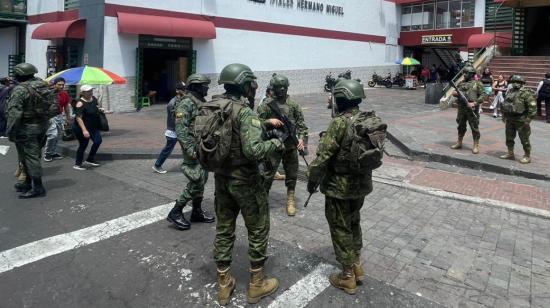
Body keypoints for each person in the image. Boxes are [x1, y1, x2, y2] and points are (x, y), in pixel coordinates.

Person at [210, 63, 283, 306]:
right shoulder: (245, 111)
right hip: (246, 182)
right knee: (258, 228)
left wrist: (263, 125)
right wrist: (275, 144)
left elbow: (230, 135)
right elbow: (253, 150)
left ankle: (223, 284)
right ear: (244, 84)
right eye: (250, 84)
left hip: (222, 179)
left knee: (224, 229)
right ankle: (257, 284)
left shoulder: (215, 106)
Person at [307, 79, 382, 295]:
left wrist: (312, 181)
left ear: (340, 98)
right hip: (361, 184)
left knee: (339, 226)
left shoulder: (340, 123)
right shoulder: (367, 119)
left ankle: (347, 276)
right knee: (353, 221)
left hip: (339, 188)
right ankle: (357, 264)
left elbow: (323, 158)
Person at [166, 75, 215, 230]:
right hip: (193, 148)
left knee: (203, 178)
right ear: (196, 86)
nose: (207, 88)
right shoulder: (186, 104)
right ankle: (176, 211)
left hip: (203, 148)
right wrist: (189, 149)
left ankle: (197, 211)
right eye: (204, 85)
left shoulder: (201, 102)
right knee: (196, 180)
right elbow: (180, 129)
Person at [257, 74, 308, 216]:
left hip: (290, 146)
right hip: (272, 147)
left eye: (283, 88)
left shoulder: (293, 105)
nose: (281, 91)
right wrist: (269, 122)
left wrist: (302, 139)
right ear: (273, 88)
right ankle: (262, 200)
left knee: (292, 174)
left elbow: (302, 126)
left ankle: (290, 200)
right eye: (278, 88)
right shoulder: (266, 105)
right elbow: (255, 124)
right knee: (266, 175)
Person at [6, 63, 50, 198]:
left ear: (20, 74)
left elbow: (15, 114)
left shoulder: (20, 90)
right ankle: (27, 182)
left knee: (30, 157)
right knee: (31, 155)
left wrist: (10, 131)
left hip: (27, 128)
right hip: (42, 125)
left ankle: (38, 187)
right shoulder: (43, 85)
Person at [499, 75, 537, 164]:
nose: (515, 84)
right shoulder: (510, 91)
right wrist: (504, 115)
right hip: (510, 118)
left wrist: (528, 119)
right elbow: (505, 104)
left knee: (524, 139)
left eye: (518, 82)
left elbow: (532, 107)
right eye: (514, 82)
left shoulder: (526, 93)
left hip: (521, 120)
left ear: (522, 83)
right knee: (509, 137)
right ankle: (510, 153)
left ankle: (527, 156)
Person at [450, 65, 485, 154]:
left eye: (466, 73)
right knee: (460, 125)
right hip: (462, 108)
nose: (464, 74)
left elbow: (483, 95)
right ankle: (459, 142)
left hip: (472, 109)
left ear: (471, 74)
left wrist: (475, 103)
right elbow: (454, 91)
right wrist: (455, 93)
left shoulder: (478, 84)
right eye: (464, 73)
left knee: (474, 127)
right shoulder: (461, 83)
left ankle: (476, 144)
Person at [152, 82, 185, 174]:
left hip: (180, 130)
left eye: (184, 89)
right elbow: (176, 117)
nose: (185, 91)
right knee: (167, 150)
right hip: (173, 131)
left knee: (186, 147)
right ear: (177, 91)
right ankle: (157, 165)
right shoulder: (172, 103)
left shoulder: (181, 100)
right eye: (183, 89)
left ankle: (188, 164)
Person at [72, 85, 104, 170]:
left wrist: (99, 109)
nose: (90, 92)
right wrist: (84, 130)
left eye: (91, 90)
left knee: (98, 141)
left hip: (93, 126)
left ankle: (90, 159)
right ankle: (77, 164)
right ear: (82, 93)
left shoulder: (93, 99)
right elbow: (78, 118)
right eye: (88, 91)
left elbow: (95, 108)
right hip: (81, 127)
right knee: (83, 145)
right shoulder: (80, 103)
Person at [44, 77, 71, 161]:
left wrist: (68, 117)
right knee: (53, 135)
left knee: (58, 136)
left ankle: (52, 152)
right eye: (59, 84)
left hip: (59, 116)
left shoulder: (64, 94)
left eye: (63, 85)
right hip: (50, 116)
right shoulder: (48, 93)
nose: (61, 86)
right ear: (54, 84)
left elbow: (66, 106)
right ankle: (47, 154)